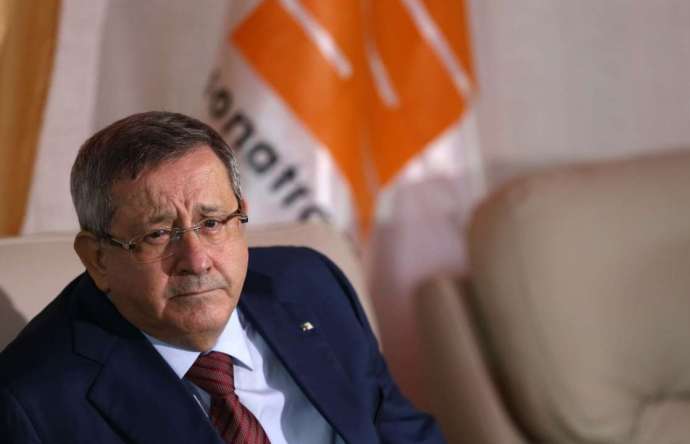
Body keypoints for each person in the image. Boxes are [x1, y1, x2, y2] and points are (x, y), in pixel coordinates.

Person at [0, 111, 445, 444]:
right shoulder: (34, 403)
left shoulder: (311, 285)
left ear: (241, 216)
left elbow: (403, 433)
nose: (196, 261)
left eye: (212, 223)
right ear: (97, 258)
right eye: (158, 234)